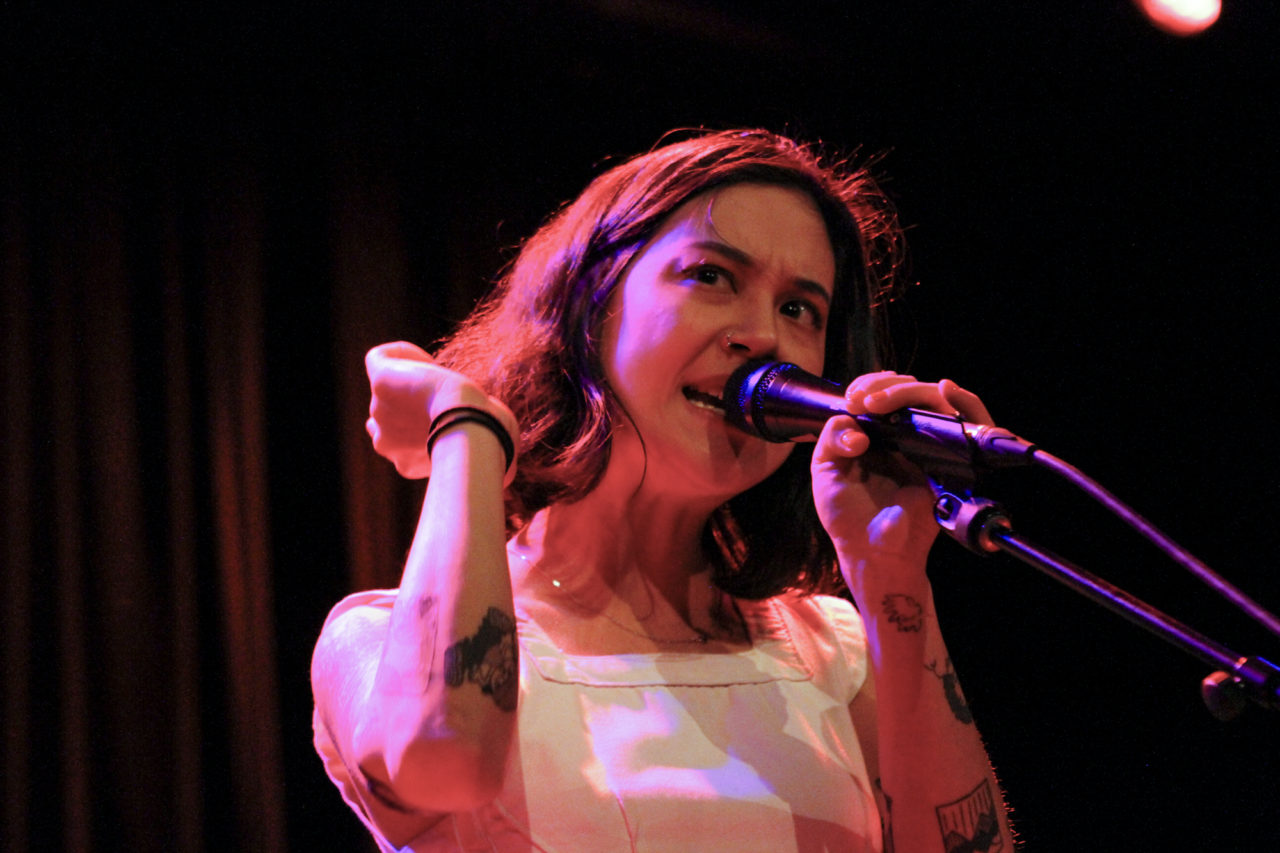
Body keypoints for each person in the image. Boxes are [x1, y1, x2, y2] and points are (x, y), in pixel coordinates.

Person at [311, 129, 1014, 852]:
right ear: (591, 303)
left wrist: (895, 574)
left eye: (800, 309)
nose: (764, 336)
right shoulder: (377, 640)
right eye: (712, 276)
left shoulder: (833, 651)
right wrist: (467, 427)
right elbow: (445, 761)